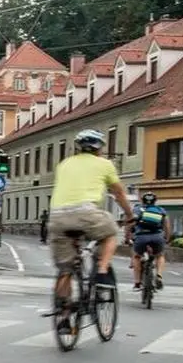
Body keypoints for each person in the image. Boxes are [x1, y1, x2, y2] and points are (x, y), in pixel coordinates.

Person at [46, 129, 135, 316]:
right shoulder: (105, 164)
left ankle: (63, 315)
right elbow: (118, 193)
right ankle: (102, 271)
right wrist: (129, 215)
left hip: (57, 217)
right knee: (110, 233)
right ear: (99, 148)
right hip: (86, 212)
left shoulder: (64, 164)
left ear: (78, 148)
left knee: (65, 270)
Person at [127, 192, 170, 291]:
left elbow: (129, 225)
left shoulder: (137, 209)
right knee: (160, 255)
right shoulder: (161, 210)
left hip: (141, 237)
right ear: (155, 201)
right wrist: (167, 238)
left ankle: (137, 283)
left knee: (137, 257)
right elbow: (167, 226)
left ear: (142, 200)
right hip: (157, 237)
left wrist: (127, 237)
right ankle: (159, 275)